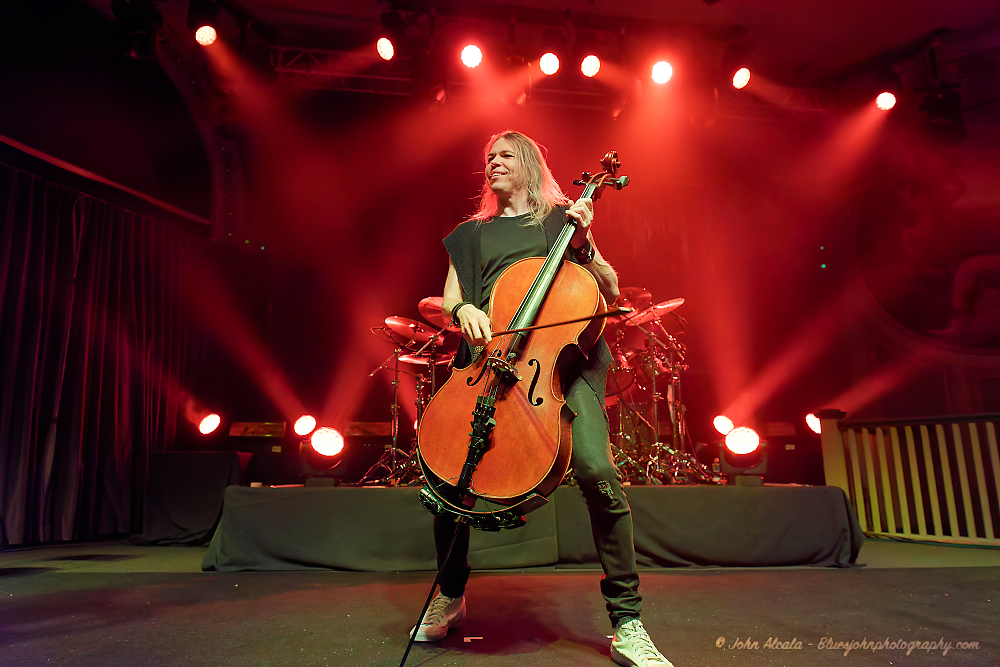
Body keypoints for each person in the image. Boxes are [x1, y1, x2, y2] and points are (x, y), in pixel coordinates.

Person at [412, 130, 674, 667]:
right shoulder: (469, 235)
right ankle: (449, 595)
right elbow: (451, 297)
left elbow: (611, 289)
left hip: (562, 368)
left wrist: (588, 243)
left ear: (530, 165)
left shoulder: (562, 223)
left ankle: (627, 621)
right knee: (449, 474)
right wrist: (462, 313)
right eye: (488, 158)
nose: (494, 164)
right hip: (491, 364)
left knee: (598, 471)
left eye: (505, 155)